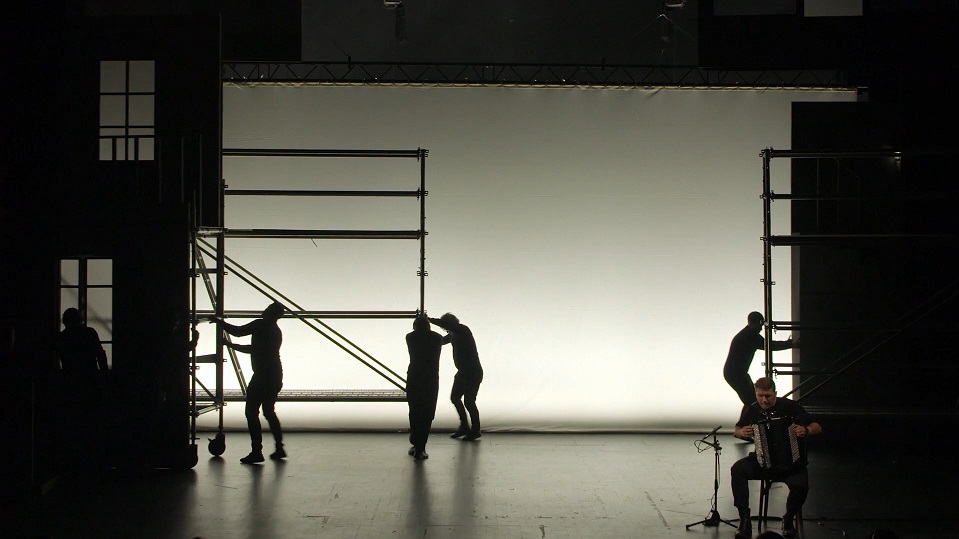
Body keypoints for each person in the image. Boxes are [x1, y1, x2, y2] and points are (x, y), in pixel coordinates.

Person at [731, 377, 822, 539]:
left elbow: (817, 426)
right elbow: (737, 429)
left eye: (768, 396)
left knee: (801, 485)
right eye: (760, 396)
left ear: (775, 393)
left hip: (790, 462)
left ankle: (788, 519)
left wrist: (806, 430)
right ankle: (744, 519)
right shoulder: (752, 409)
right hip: (763, 462)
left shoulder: (790, 406)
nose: (764, 400)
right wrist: (742, 432)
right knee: (737, 470)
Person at [213, 302, 286, 464]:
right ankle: (279, 447)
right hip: (275, 375)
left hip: (262, 376)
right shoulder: (276, 331)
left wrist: (219, 323)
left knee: (251, 412)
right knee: (269, 411)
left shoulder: (260, 324)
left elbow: (238, 332)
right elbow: (257, 348)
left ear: (270, 312)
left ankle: (257, 451)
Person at [724, 311, 796, 415]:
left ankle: (746, 422)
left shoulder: (747, 334)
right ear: (756, 323)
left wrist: (788, 344)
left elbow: (767, 344)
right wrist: (790, 344)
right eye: (760, 325)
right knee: (752, 401)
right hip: (736, 374)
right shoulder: (750, 336)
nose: (761, 329)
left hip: (736, 373)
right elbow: (768, 345)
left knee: (751, 400)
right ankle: (747, 422)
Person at [428, 312, 483, 440]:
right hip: (464, 372)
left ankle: (475, 429)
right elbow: (441, 341)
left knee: (468, 401)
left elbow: (444, 335)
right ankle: (465, 427)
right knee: (456, 398)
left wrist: (429, 320)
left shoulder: (462, 330)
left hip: (472, 372)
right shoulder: (454, 333)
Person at [405, 314, 443, 460]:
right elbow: (447, 337)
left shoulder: (410, 337)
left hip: (414, 378)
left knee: (414, 411)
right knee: (427, 413)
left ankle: (415, 442)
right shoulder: (437, 338)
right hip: (430, 379)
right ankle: (421, 448)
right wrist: (435, 320)